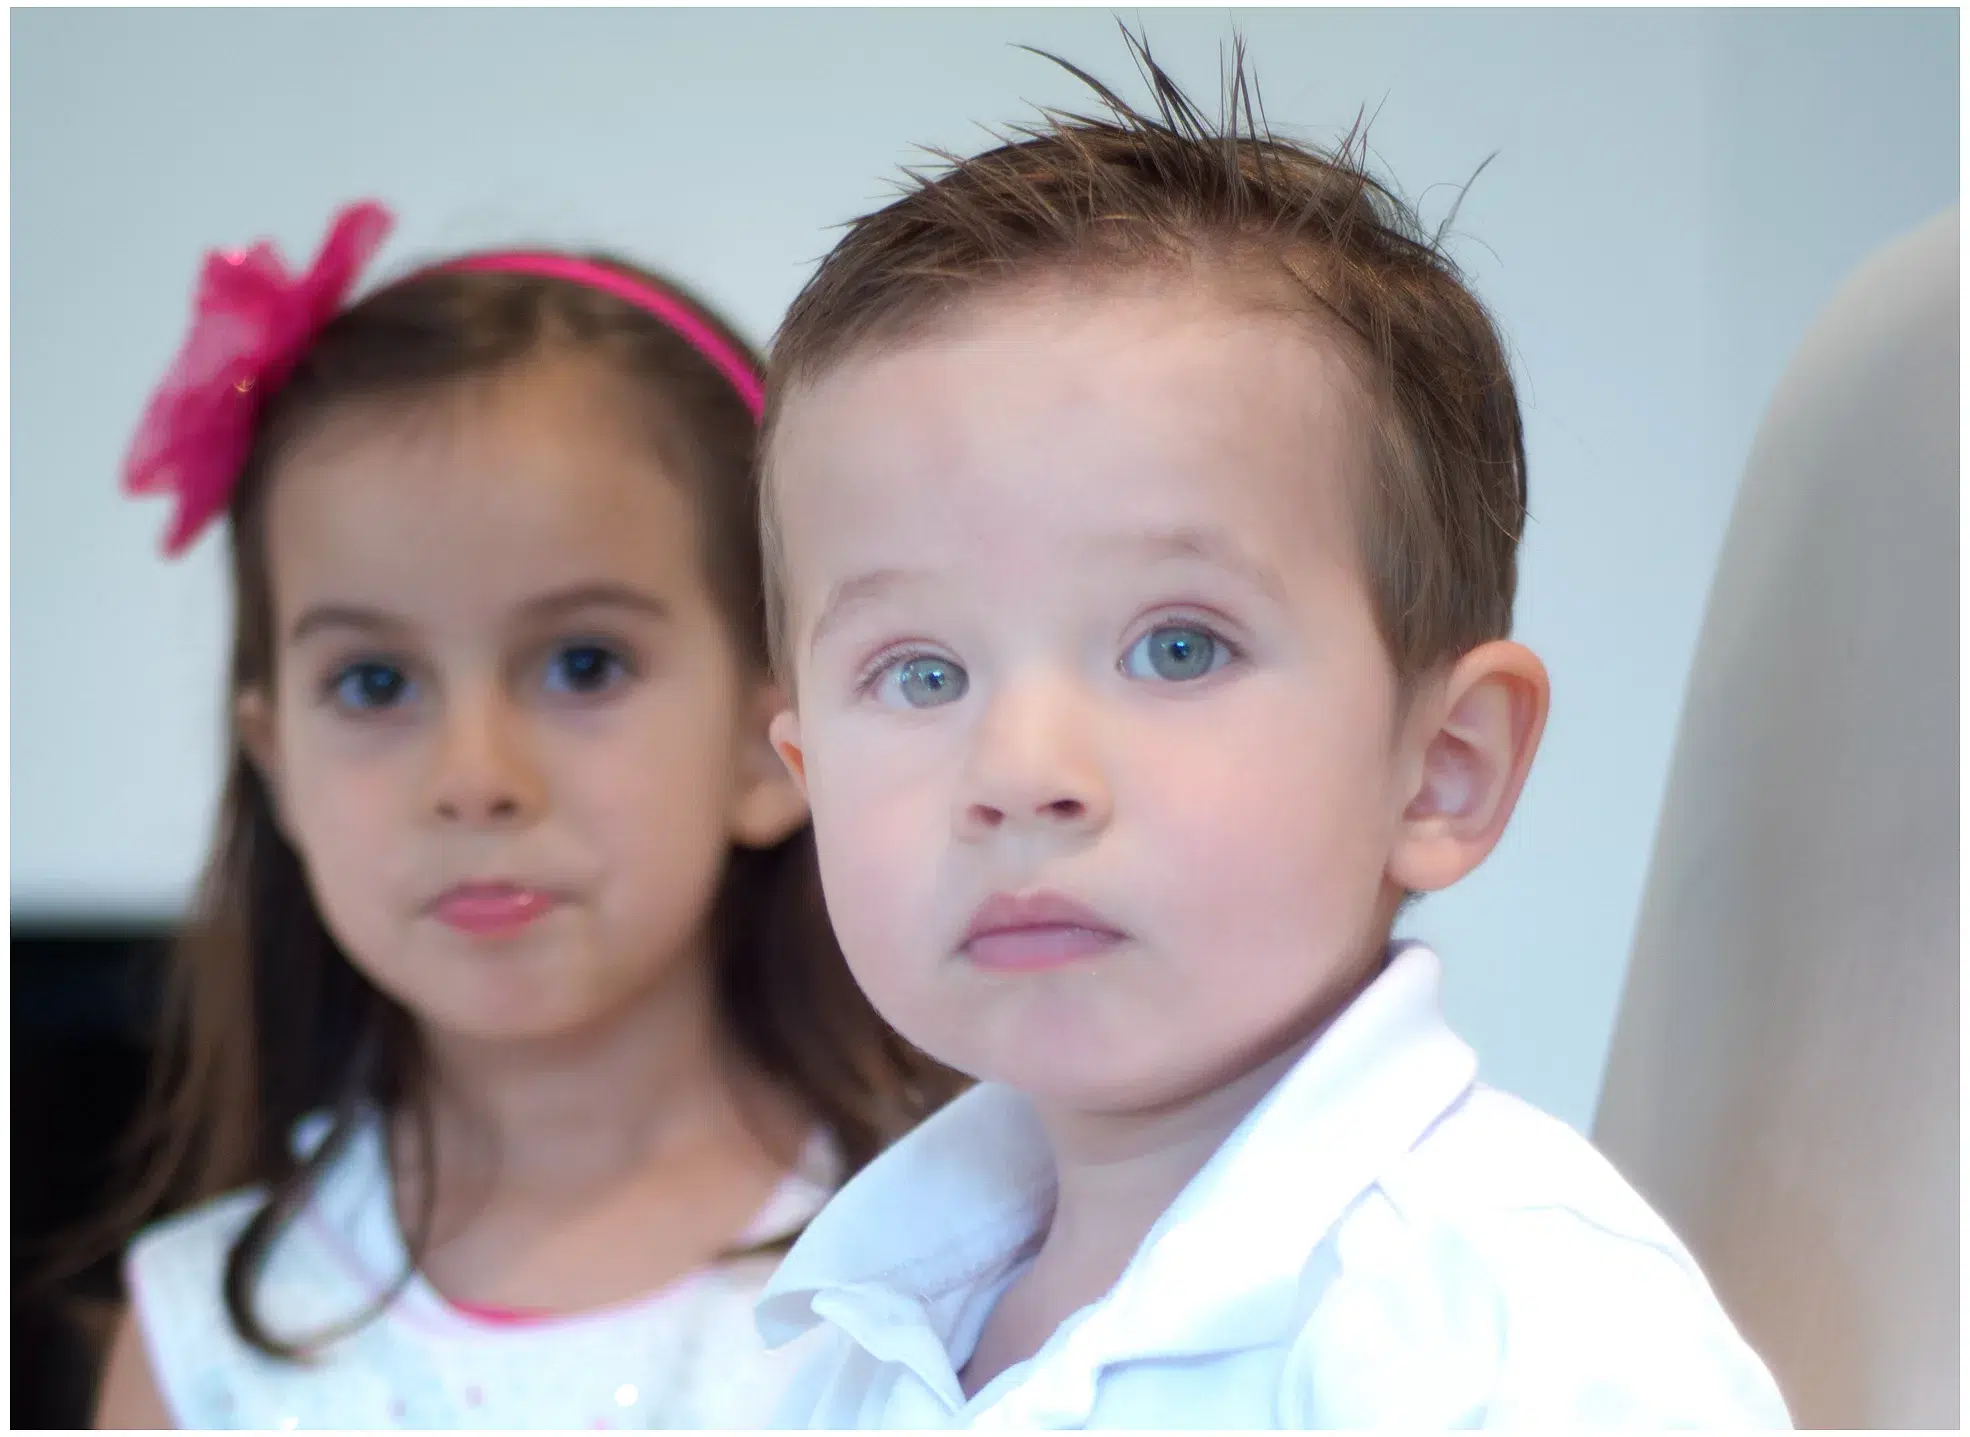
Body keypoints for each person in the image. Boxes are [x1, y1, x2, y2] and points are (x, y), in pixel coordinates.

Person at [748, 38, 1791, 1429]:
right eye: (921, 674)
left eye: (1175, 647)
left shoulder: (1504, 1317)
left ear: (1442, 767)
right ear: (806, 777)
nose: (1016, 776)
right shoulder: (850, 1338)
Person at [91, 201, 956, 1429]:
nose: (474, 776)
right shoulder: (204, 1345)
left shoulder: (959, 1246)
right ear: (275, 762)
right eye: (374, 683)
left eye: (582, 665)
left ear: (771, 742)